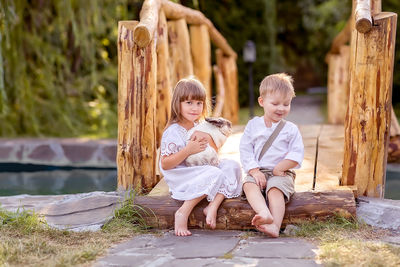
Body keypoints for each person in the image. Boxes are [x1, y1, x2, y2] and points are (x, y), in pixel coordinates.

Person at [160, 77, 242, 236]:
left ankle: (212, 206)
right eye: (189, 103)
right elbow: (166, 164)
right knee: (215, 174)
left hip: (202, 169)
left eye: (199, 103)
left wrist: (213, 149)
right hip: (183, 176)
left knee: (232, 166)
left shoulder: (200, 126)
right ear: (178, 104)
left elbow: (208, 152)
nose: (195, 108)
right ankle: (183, 212)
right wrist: (187, 150)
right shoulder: (173, 131)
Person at [239, 73, 304, 238]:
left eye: (286, 104)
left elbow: (297, 153)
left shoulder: (290, 129)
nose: (281, 108)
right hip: (258, 171)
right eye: (275, 103)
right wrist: (254, 171)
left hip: (281, 173)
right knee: (248, 185)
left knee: (275, 189)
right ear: (262, 102)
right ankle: (263, 212)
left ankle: (275, 225)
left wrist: (280, 167)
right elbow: (245, 149)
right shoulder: (253, 125)